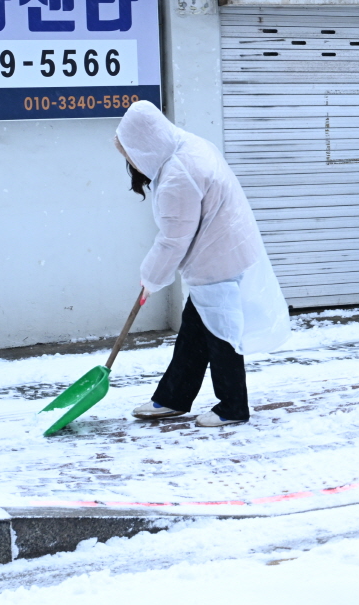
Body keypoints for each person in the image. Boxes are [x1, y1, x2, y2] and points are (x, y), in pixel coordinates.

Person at [116, 100, 290, 427]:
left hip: (217, 259)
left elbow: (173, 239)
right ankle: (173, 398)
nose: (130, 163)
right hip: (225, 248)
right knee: (196, 329)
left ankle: (233, 407)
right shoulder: (186, 145)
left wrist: (150, 279)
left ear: (142, 147)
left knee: (222, 332)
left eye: (129, 155)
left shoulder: (177, 175)